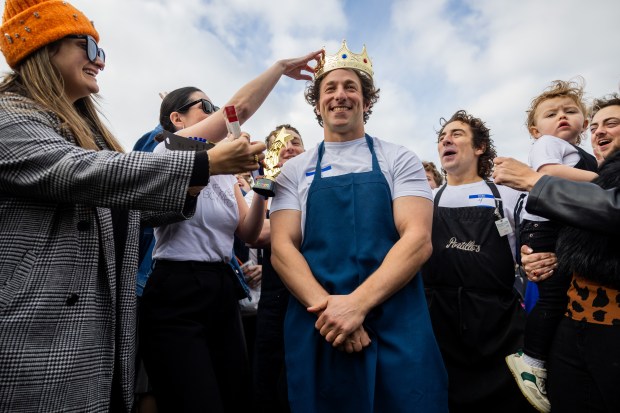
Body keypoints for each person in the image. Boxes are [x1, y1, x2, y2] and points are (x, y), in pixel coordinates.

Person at [0, 1, 321, 411]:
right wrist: (206, 162)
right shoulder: (13, 117)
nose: (99, 60)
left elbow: (230, 228)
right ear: (44, 50)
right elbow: (80, 172)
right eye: (89, 47)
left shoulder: (91, 136)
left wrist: (258, 187)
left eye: (103, 52)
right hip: (39, 327)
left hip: (166, 304)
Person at [269, 40, 448, 413]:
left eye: (351, 87)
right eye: (329, 89)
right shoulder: (294, 170)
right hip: (320, 324)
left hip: (397, 319)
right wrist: (332, 311)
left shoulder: (398, 158)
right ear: (317, 104)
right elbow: (283, 249)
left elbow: (417, 239)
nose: (340, 96)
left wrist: (358, 304)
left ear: (367, 101)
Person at [138, 89, 312, 413]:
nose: (216, 113)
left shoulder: (228, 174)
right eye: (206, 107)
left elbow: (251, 232)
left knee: (236, 396)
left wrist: (264, 183)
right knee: (196, 399)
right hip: (177, 285)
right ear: (177, 119)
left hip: (221, 289)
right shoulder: (167, 151)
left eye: (216, 107)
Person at [495, 94, 620, 411]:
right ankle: (534, 360)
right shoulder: (582, 167)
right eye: (597, 126)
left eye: (613, 123)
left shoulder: (593, 179)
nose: (600, 132)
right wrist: (543, 257)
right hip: (572, 324)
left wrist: (535, 181)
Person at [420, 110, 530, 412]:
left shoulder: (506, 195)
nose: (446, 140)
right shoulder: (427, 199)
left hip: (496, 325)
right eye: (442, 138)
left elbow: (532, 249)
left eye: (456, 134)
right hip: (438, 322)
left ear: (479, 147)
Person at [252, 124, 304, 413]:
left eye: (295, 141)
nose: (288, 147)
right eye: (278, 144)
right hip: (275, 298)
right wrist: (265, 182)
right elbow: (256, 234)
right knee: (271, 379)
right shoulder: (262, 189)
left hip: (319, 292)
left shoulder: (318, 182)